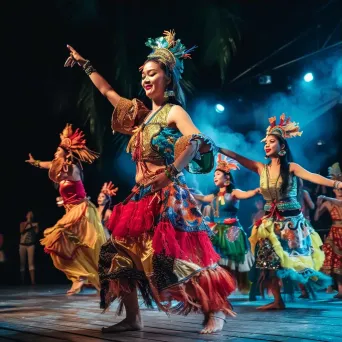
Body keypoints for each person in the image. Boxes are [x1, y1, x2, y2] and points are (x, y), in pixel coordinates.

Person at [64, 30, 236, 334]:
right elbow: (108, 93)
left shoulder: (174, 112)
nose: (145, 79)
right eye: (143, 74)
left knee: (175, 259)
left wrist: (171, 172)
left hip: (168, 195)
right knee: (116, 254)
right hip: (139, 197)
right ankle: (133, 318)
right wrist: (85, 64)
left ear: (168, 78)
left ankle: (216, 309)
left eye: (152, 73)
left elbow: (196, 141)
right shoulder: (140, 117)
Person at [219, 114, 339, 310]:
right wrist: (216, 148)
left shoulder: (292, 168)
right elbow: (236, 157)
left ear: (282, 146)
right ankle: (277, 300)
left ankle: (305, 290)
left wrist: (336, 183)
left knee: (296, 261)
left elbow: (313, 176)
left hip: (291, 222)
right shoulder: (260, 168)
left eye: (271, 141)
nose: (266, 145)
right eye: (265, 142)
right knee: (268, 261)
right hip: (269, 223)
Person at [25, 124, 106, 295]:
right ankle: (80, 277)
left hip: (83, 212)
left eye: (57, 151)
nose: (55, 153)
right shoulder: (62, 171)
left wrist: (66, 145)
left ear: (67, 154)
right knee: (63, 243)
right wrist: (36, 163)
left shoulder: (71, 169)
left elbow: (55, 166)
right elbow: (51, 166)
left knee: (69, 240)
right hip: (72, 212)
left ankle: (88, 279)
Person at [193, 154, 258, 291]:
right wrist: (187, 193)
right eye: (214, 175)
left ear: (227, 178)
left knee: (231, 261)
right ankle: (220, 283)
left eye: (217, 174)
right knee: (217, 259)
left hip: (231, 230)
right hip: (216, 230)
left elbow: (246, 194)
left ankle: (233, 284)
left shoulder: (234, 193)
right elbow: (202, 198)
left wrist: (256, 191)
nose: (215, 177)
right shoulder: (214, 196)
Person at [314, 162, 342, 299]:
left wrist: (325, 197)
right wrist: (319, 206)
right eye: (337, 190)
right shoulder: (328, 202)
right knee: (333, 261)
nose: (339, 192)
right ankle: (339, 290)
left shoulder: (333, 200)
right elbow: (317, 217)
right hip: (335, 231)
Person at [19, 211, 39, 285]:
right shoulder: (22, 223)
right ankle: (22, 281)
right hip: (22, 245)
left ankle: (33, 281)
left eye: (31, 214)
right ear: (26, 216)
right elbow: (21, 231)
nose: (30, 215)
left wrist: (31, 224)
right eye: (29, 214)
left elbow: (36, 233)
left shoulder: (35, 224)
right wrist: (27, 223)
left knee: (31, 263)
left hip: (31, 245)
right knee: (22, 263)